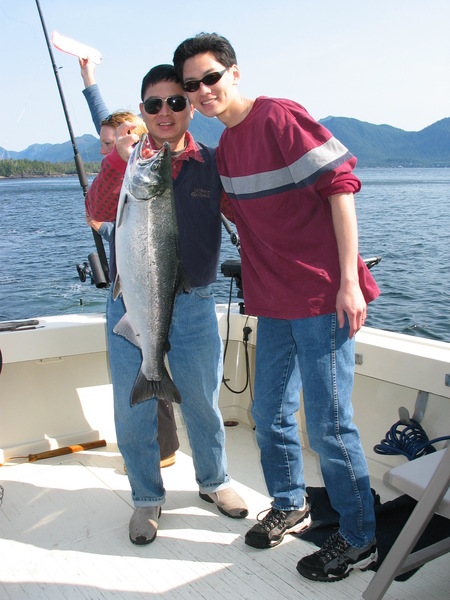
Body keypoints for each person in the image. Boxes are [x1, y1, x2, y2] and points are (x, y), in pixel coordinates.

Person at [173, 34, 380, 582]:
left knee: (330, 425)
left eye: (211, 77)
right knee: (268, 414)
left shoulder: (278, 117)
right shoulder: (224, 150)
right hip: (273, 303)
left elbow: (341, 187)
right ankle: (290, 503)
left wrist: (349, 283)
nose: (203, 90)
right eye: (192, 85)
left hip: (322, 298)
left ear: (234, 73)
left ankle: (360, 537)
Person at [85, 64, 248, 546]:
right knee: (132, 410)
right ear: (142, 111)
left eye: (176, 101)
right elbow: (97, 212)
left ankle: (214, 481)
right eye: (154, 104)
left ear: (190, 108)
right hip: (130, 304)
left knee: (202, 401)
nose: (165, 112)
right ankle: (146, 496)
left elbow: (246, 215)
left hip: (195, 301)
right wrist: (117, 161)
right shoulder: (128, 164)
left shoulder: (211, 163)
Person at [80, 58, 179, 469]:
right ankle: (150, 459)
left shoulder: (141, 160)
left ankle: (167, 450)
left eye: (114, 142)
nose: (108, 148)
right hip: (129, 283)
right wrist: (89, 79)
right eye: (104, 144)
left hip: (146, 280)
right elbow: (109, 124)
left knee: (154, 362)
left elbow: (120, 128)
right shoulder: (122, 160)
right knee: (139, 373)